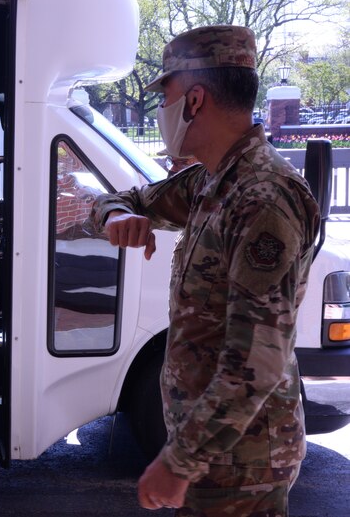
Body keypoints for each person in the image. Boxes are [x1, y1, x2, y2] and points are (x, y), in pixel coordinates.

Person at [86, 26, 320, 516]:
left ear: (194, 101)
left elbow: (257, 360)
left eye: (165, 97)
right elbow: (123, 199)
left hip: (243, 462)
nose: (160, 112)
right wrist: (116, 217)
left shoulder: (263, 199)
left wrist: (180, 460)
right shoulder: (213, 181)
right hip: (214, 450)